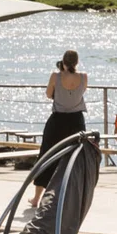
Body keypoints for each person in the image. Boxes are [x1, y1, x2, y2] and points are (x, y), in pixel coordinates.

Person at [34, 50, 89, 199]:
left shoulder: (56, 76)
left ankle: (37, 197)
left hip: (58, 120)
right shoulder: (84, 77)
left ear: (63, 62)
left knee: (47, 154)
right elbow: (81, 91)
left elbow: (48, 93)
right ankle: (71, 194)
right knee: (75, 158)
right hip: (76, 121)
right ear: (77, 62)